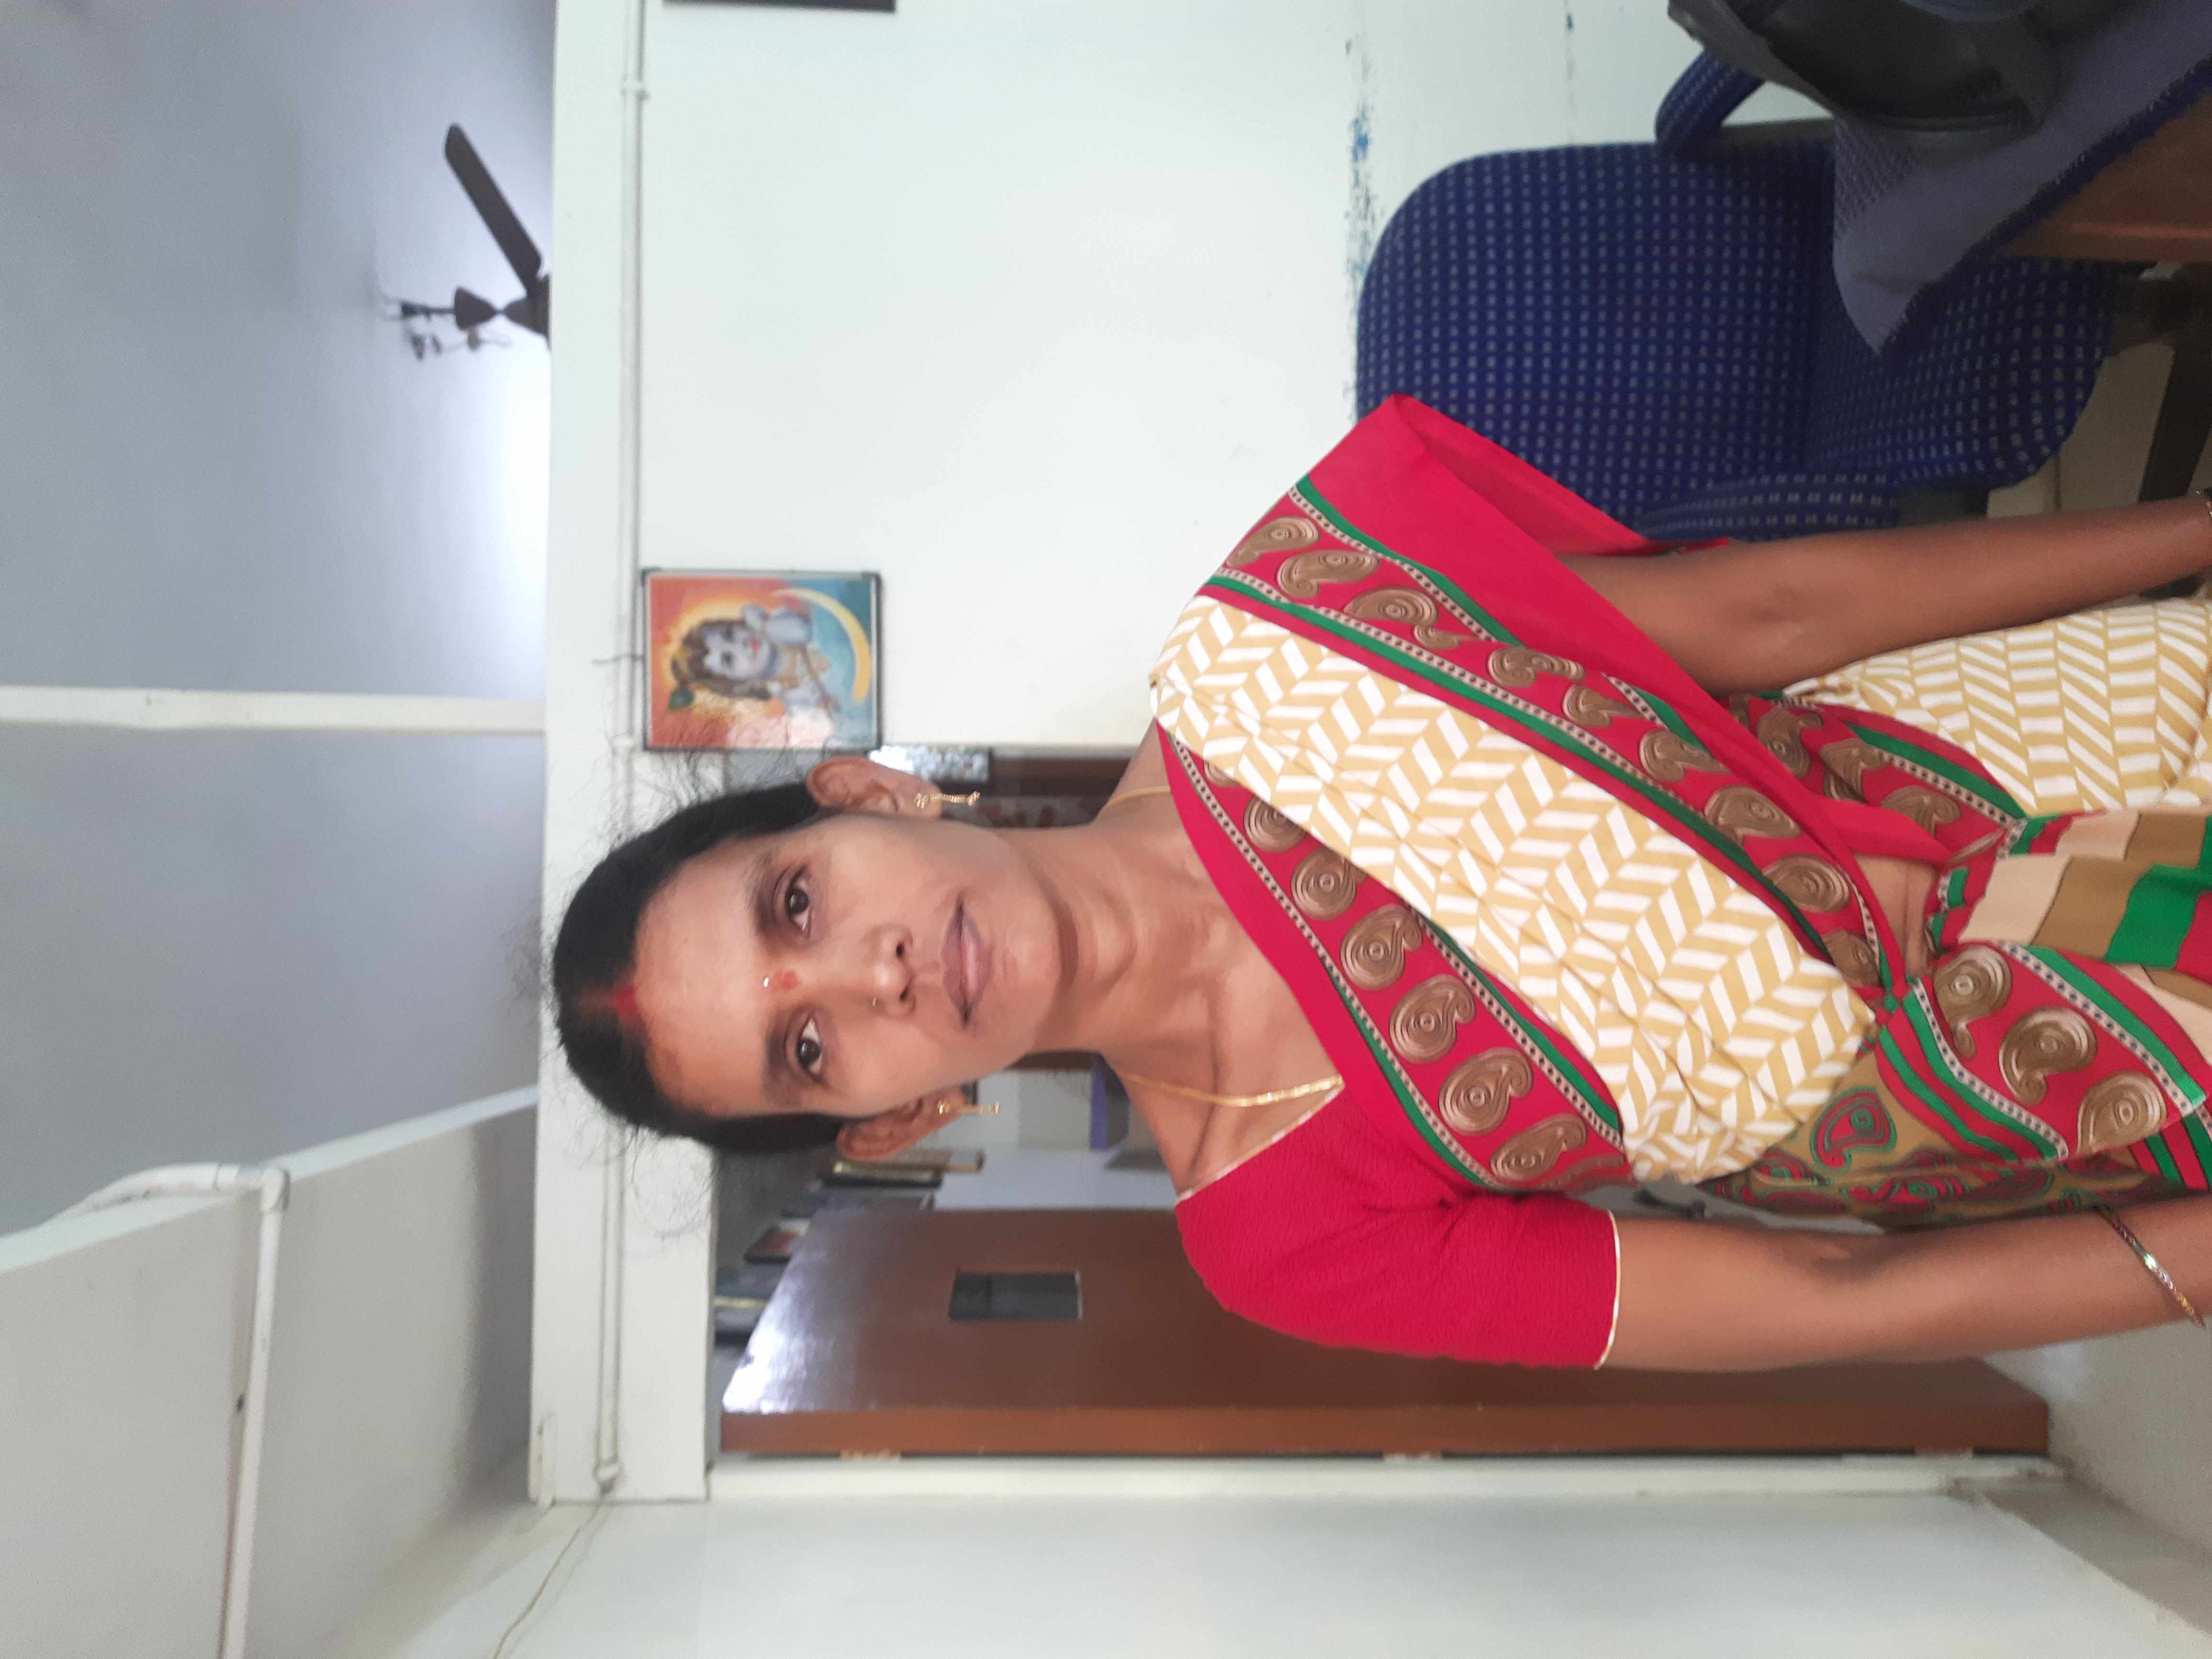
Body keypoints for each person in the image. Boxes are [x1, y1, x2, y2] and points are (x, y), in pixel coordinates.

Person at [553, 395, 2212, 1371]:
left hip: (2059, 742)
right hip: (2084, 1070)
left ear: (867, 792)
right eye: (810, 1048)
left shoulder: (1290, 628)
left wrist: (2193, 531)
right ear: (886, 1122)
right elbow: (1831, 1294)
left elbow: (1781, 613)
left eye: (795, 907)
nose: (875, 975)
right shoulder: (1277, 1234)